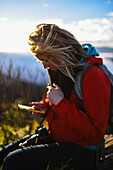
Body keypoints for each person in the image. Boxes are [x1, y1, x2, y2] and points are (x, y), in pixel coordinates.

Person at [1, 24, 111, 170]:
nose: (44, 66)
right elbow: (67, 100)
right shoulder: (61, 69)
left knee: (12, 162)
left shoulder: (94, 76)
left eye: (46, 60)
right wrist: (46, 105)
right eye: (41, 61)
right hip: (56, 136)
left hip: (83, 149)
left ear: (59, 52)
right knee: (2, 156)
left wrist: (59, 104)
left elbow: (95, 135)